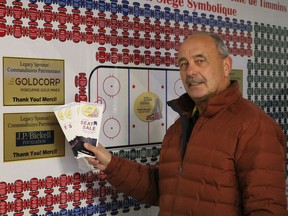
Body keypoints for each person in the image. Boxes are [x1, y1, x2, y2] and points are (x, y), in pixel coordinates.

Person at [84, 32, 288, 215]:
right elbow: (163, 187)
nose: (190, 71)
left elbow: (266, 207)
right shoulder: (180, 125)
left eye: (200, 61)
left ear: (226, 66)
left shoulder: (255, 126)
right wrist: (110, 163)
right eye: (184, 64)